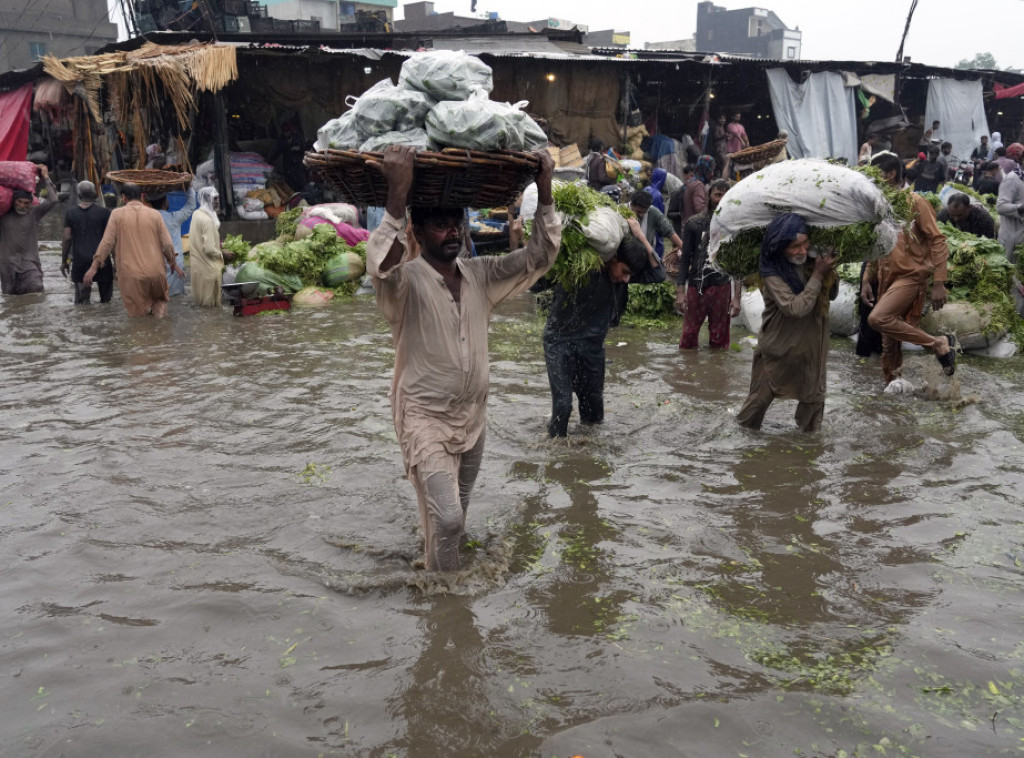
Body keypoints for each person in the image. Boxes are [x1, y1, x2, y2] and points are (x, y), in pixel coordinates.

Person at [365, 145, 561, 572]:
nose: (452, 232)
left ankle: (442, 589)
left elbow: (539, 257)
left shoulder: (480, 275)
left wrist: (544, 191)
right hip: (424, 416)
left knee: (458, 515)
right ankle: (445, 600)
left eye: (457, 223)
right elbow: (380, 265)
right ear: (418, 228)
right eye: (440, 225)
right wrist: (397, 197)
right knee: (450, 519)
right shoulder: (405, 282)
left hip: (473, 416)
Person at [534, 236, 652, 438]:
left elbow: (658, 273)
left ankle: (588, 452)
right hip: (559, 341)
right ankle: (554, 455)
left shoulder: (619, 279)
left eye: (630, 275)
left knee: (594, 410)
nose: (626, 280)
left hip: (592, 346)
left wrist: (639, 234)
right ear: (613, 258)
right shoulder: (578, 268)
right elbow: (534, 285)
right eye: (624, 272)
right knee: (563, 406)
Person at [736, 214, 839, 432]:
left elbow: (832, 295)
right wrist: (819, 275)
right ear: (780, 247)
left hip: (811, 347)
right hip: (777, 349)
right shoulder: (771, 273)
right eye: (795, 246)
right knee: (756, 405)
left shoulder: (815, 263)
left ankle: (806, 456)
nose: (802, 251)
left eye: (805, 244)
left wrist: (830, 272)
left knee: (812, 408)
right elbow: (795, 308)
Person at [864, 152, 955, 386]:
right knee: (889, 342)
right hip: (887, 276)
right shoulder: (880, 207)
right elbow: (877, 244)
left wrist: (939, 282)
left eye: (876, 175)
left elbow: (938, 240)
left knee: (878, 318)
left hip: (911, 275)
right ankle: (893, 386)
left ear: (891, 174)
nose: (871, 180)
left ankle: (938, 343)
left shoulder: (915, 202)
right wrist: (867, 279)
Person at [83, 183, 184, 318]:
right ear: (142, 197)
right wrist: (173, 263)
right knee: (160, 303)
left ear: (123, 198)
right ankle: (160, 334)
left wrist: (94, 267)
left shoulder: (116, 215)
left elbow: (107, 242)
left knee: (138, 319)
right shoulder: (155, 215)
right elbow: (167, 244)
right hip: (156, 272)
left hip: (131, 275)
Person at [675, 180, 740, 350]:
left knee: (719, 338)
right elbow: (685, 259)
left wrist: (737, 297)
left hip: (722, 285)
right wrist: (680, 292)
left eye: (726, 195)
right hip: (696, 285)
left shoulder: (734, 225)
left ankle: (717, 374)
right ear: (709, 197)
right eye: (718, 194)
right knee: (688, 336)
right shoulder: (694, 223)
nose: (722, 199)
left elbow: (737, 263)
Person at [0, 164, 58, 296]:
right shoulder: (3, 215)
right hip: (7, 264)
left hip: (30, 262)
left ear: (31, 203)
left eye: (26, 203)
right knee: (10, 299)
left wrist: (46, 177)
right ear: (13, 201)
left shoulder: (34, 213)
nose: (22, 206)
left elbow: (53, 199)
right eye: (19, 202)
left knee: (36, 289)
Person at [61, 181, 113, 304]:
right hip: (102, 261)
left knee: (81, 304)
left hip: (80, 261)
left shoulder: (70, 213)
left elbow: (67, 238)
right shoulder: (105, 213)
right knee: (106, 302)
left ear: (79, 195)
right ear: (95, 195)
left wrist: (64, 261)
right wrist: (116, 263)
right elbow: (111, 239)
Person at [149, 186, 197, 297]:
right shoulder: (173, 218)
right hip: (175, 267)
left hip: (154, 267)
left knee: (158, 300)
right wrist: (188, 187)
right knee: (175, 300)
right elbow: (191, 205)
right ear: (165, 202)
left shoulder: (146, 221)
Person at [189, 187, 227, 307]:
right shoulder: (207, 221)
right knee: (211, 310)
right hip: (208, 270)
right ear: (207, 199)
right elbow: (209, 249)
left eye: (218, 198)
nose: (217, 201)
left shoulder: (197, 214)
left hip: (197, 268)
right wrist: (223, 254)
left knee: (200, 306)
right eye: (215, 198)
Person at [629, 191, 681, 276]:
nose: (641, 215)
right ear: (631, 205)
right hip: (625, 258)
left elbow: (669, 231)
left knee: (659, 275)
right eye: (638, 212)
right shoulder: (622, 210)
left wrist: (682, 248)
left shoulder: (653, 212)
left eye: (644, 212)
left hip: (645, 257)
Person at [996, 143, 1024, 262]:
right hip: (1012, 237)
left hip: (1021, 236)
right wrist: (1020, 207)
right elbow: (1000, 206)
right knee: (1011, 272)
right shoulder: (1012, 179)